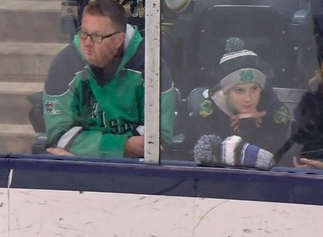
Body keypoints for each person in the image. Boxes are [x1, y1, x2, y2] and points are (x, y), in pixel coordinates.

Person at [43, 0, 176, 158]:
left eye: (97, 37)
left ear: (118, 39)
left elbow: (158, 135)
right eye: (83, 33)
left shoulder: (151, 65)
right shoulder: (64, 65)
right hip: (81, 169)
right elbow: (59, 136)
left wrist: (84, 148)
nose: (86, 43)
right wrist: (123, 146)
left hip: (136, 170)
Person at [190, 38, 292, 166]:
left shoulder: (278, 113)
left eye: (254, 89)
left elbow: (270, 161)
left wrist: (249, 128)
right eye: (239, 91)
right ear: (226, 91)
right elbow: (208, 158)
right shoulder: (208, 112)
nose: (248, 98)